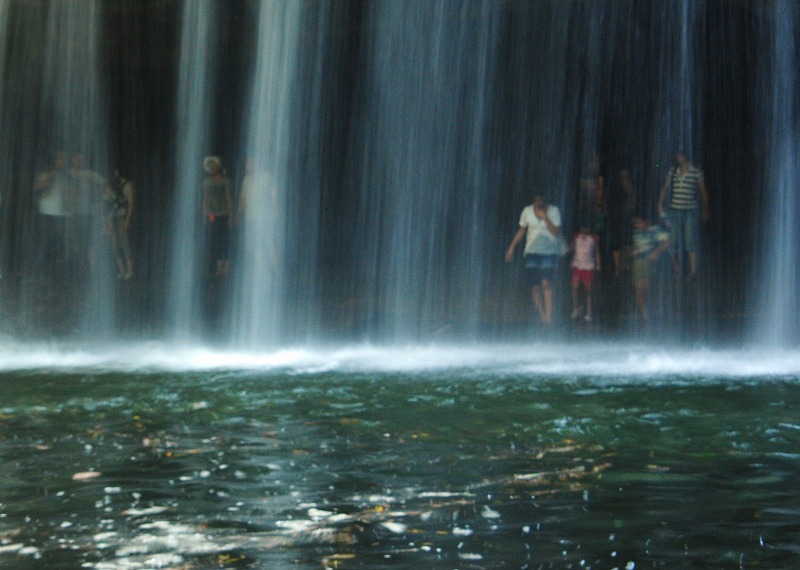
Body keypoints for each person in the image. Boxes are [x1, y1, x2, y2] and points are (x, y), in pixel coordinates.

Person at [505, 193, 563, 324]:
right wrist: (511, 247)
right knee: (535, 286)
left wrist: (545, 217)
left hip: (549, 252)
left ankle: (549, 317)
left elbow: (556, 231)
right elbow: (522, 230)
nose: (537, 203)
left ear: (544, 200)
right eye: (535, 200)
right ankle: (542, 314)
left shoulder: (554, 211)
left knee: (546, 283)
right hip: (532, 252)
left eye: (539, 200)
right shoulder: (527, 211)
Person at [657, 152, 709, 280]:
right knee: (672, 240)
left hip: (690, 211)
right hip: (675, 210)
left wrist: (706, 209)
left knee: (690, 241)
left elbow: (703, 191)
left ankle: (693, 271)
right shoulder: (673, 171)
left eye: (680, 154)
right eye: (676, 155)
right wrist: (659, 204)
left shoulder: (696, 172)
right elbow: (665, 187)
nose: (677, 157)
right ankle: (677, 269)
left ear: (686, 155)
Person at [631, 216, 671, 321]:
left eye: (639, 223)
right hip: (637, 262)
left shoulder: (654, 230)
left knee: (645, 287)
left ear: (646, 221)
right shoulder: (636, 232)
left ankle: (652, 314)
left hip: (649, 262)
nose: (638, 226)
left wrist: (656, 253)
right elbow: (636, 247)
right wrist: (634, 251)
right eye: (636, 224)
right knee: (639, 291)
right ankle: (646, 317)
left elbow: (668, 241)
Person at [202, 155, 233, 277]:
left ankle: (226, 268)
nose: (212, 167)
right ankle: (219, 268)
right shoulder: (206, 182)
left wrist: (231, 216)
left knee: (224, 240)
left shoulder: (225, 180)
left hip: (223, 213)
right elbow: (205, 199)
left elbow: (229, 198)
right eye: (210, 165)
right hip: (212, 214)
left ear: (218, 166)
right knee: (215, 241)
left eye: (214, 164)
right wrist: (204, 214)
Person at [105, 169, 134, 279]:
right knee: (115, 245)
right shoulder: (111, 186)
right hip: (113, 218)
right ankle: (122, 271)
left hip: (122, 218)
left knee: (124, 244)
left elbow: (130, 204)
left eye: (116, 172)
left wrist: (127, 219)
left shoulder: (127, 185)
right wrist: (108, 221)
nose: (114, 174)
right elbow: (108, 204)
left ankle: (129, 270)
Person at [570, 221, 600, 322]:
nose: (584, 231)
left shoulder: (593, 238)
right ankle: (575, 309)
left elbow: (596, 251)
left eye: (586, 229)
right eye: (582, 229)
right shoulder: (576, 237)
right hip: (577, 265)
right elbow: (572, 247)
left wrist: (598, 264)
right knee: (575, 287)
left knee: (588, 290)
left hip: (588, 266)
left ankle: (589, 312)